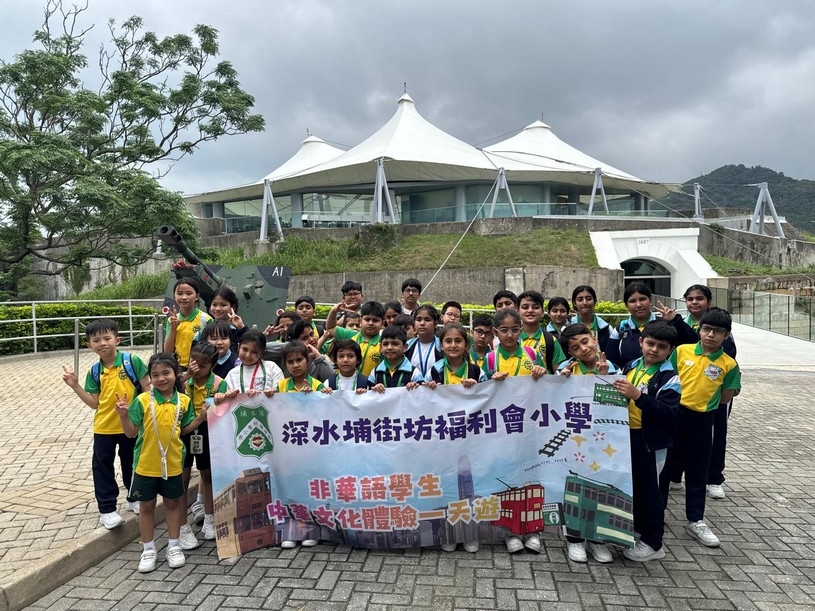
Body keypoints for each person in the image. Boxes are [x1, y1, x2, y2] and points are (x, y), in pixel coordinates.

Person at [115, 352, 206, 573]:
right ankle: (148, 549)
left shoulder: (183, 401)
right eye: (155, 375)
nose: (161, 378)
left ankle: (174, 546)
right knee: (146, 507)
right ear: (150, 378)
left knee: (173, 504)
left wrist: (200, 418)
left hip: (173, 464)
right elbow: (130, 433)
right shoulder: (142, 400)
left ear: (177, 374)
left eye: (166, 373)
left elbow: (183, 430)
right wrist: (124, 416)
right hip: (145, 465)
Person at [660, 307, 741, 548]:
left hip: (703, 420)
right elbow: (666, 379)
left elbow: (725, 398)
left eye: (718, 331)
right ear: (699, 329)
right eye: (707, 329)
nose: (711, 335)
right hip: (675, 416)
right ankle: (657, 511)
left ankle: (696, 520)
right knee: (665, 467)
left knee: (697, 470)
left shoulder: (729, 364)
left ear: (726, 335)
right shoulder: (681, 351)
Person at [62, 319, 149, 530]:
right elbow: (94, 403)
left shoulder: (132, 361)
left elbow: (148, 391)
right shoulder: (94, 371)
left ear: (117, 340)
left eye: (107, 338)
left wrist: (140, 415)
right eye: (96, 340)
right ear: (89, 345)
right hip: (103, 427)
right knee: (102, 468)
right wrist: (75, 386)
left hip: (130, 426)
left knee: (133, 463)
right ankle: (107, 510)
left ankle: (134, 497)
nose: (102, 343)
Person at [612, 321, 681, 562]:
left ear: (670, 350)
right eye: (650, 343)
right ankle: (640, 530)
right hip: (627, 436)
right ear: (641, 342)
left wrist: (638, 396)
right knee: (636, 487)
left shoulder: (670, 378)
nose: (654, 350)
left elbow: (668, 413)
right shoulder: (631, 366)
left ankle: (654, 543)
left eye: (661, 347)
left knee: (652, 492)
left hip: (652, 443)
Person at [482, 308, 546, 555]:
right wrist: (491, 379)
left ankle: (532, 530)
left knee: (530, 478)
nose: (510, 335)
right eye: (504, 330)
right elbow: (481, 393)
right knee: (507, 480)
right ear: (495, 332)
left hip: (530, 427)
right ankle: (510, 532)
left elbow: (547, 386)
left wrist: (541, 372)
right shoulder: (490, 359)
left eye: (515, 329)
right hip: (502, 430)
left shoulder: (531, 354)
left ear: (521, 330)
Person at [556, 323, 616, 564]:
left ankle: (598, 539)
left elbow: (617, 404)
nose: (583, 349)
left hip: (603, 442)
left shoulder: (612, 367)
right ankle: (574, 539)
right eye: (575, 347)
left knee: (601, 487)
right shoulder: (566, 370)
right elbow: (552, 402)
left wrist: (606, 376)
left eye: (585, 341)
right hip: (574, 441)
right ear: (570, 353)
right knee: (573, 489)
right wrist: (559, 382)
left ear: (594, 339)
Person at [678, 284, 738, 499]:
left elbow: (727, 358)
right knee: (679, 439)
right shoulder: (681, 324)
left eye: (699, 298)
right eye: (690, 299)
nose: (694, 302)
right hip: (685, 396)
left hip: (712, 396)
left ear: (709, 301)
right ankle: (675, 475)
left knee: (715, 437)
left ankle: (713, 478)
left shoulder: (720, 325)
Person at [182, 343, 226, 544]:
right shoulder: (182, 381)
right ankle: (182, 525)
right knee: (182, 479)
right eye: (194, 362)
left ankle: (210, 519)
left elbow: (225, 410)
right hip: (184, 432)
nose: (197, 368)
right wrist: (186, 375)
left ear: (213, 366)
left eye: (203, 365)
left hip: (208, 433)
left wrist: (223, 398)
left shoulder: (219, 384)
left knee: (207, 476)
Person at [606, 283, 695, 366]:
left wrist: (675, 321)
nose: (638, 305)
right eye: (632, 301)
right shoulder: (620, 330)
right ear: (626, 305)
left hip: (662, 376)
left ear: (650, 300)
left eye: (642, 299)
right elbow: (611, 361)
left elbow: (692, 344)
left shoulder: (665, 325)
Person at [219, 329, 284, 400]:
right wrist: (229, 395)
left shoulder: (272, 368)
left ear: (262, 353)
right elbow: (224, 400)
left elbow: (282, 393)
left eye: (254, 352)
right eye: (245, 349)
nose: (248, 355)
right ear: (239, 347)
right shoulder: (232, 374)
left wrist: (273, 392)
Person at [163, 279, 213, 370]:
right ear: (174, 296)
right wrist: (173, 329)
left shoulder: (206, 319)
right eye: (179, 293)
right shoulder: (172, 320)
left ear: (197, 297)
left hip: (199, 368)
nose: (184, 297)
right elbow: (168, 352)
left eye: (189, 293)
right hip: (177, 367)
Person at [326, 301, 385, 377]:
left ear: (382, 323)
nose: (370, 323)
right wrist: (333, 311)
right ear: (360, 321)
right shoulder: (350, 335)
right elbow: (330, 328)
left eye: (375, 320)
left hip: (373, 384)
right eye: (367, 319)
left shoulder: (384, 343)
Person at [266, 319, 334, 382]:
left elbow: (333, 380)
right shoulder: (285, 351)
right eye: (304, 338)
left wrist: (318, 356)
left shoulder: (321, 359)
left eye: (312, 334)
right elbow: (262, 350)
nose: (311, 339)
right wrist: (264, 336)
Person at [518, 290, 566, 374]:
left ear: (542, 312)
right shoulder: (511, 338)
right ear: (517, 311)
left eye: (535, 307)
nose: (530, 310)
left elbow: (558, 376)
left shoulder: (551, 341)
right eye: (525, 307)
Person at [368, 326, 424, 392]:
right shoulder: (375, 372)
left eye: (395, 344)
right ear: (380, 347)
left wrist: (415, 387)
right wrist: (374, 389)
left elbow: (423, 394)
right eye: (385, 344)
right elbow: (368, 393)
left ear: (405, 347)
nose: (389, 347)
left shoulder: (414, 372)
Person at [405, 304, 443, 378]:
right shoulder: (407, 347)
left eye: (427, 320)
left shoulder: (442, 347)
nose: (422, 323)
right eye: (418, 320)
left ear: (435, 324)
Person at [570, 285, 610, 352]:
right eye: (580, 299)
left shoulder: (606, 328)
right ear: (574, 303)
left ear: (595, 302)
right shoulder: (569, 326)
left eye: (588, 299)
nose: (585, 303)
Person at [208, 286, 246, 351]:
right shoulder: (206, 328)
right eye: (214, 305)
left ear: (233, 307)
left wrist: (241, 328)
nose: (217, 309)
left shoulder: (237, 330)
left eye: (223, 305)